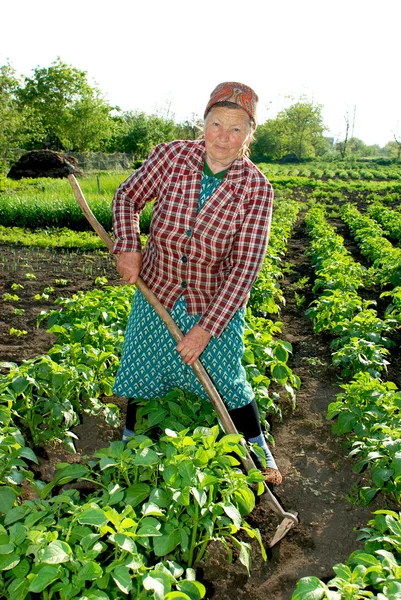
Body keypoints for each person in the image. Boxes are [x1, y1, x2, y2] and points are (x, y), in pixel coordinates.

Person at [112, 82, 282, 485]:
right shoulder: (173, 157)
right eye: (216, 123)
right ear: (202, 122)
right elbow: (127, 197)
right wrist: (128, 246)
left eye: (237, 128)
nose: (224, 136)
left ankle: (257, 450)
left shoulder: (256, 189)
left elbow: (245, 268)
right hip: (159, 288)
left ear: (250, 135)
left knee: (226, 378)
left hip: (214, 301)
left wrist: (205, 329)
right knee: (144, 369)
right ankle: (132, 447)